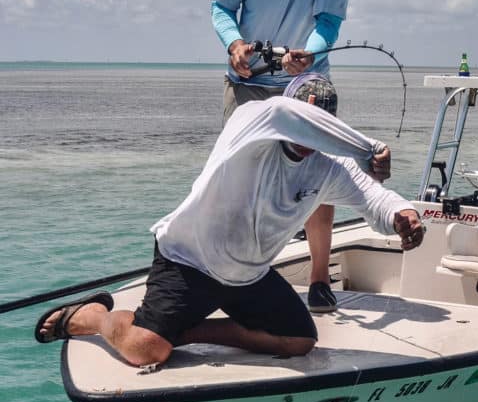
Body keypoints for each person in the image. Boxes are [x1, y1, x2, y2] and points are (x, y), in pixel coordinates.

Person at [35, 76, 424, 369]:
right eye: (310, 117)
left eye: (324, 121)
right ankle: (92, 316)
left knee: (298, 340)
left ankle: (184, 332)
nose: (311, 130)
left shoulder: (326, 168)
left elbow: (374, 197)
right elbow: (284, 114)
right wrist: (366, 149)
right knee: (145, 350)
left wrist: (402, 217)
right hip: (189, 261)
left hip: (249, 276)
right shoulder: (251, 124)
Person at [209, 0, 353, 314]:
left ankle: (318, 279)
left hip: (307, 83)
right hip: (249, 82)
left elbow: (328, 21)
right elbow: (221, 6)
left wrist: (307, 55)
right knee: (235, 179)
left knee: (318, 181)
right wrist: (234, 44)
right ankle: (231, 272)